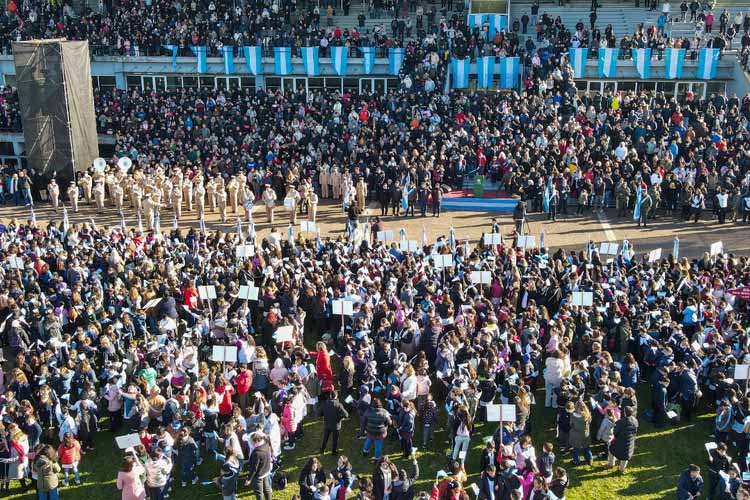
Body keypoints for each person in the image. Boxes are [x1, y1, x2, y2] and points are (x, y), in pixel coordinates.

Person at [607, 406, 639, 472]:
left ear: (624, 413)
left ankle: (611, 464)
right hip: (630, 443)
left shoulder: (621, 422)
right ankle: (621, 470)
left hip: (620, 443)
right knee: (625, 457)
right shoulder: (635, 421)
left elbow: (615, 433)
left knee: (611, 449)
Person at [320, 390, 349, 455]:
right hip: (336, 426)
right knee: (335, 439)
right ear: (336, 396)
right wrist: (340, 418)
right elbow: (346, 415)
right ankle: (334, 451)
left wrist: (324, 414)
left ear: (330, 396)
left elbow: (319, 414)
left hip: (327, 424)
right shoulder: (339, 405)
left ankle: (322, 450)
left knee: (325, 438)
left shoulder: (324, 403)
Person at [245, 433, 272, 500]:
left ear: (256, 441)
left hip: (258, 475)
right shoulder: (266, 444)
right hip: (266, 470)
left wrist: (249, 479)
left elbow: (254, 468)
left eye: (251, 442)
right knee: (267, 489)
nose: (251, 443)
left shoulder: (257, 453)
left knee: (259, 493)